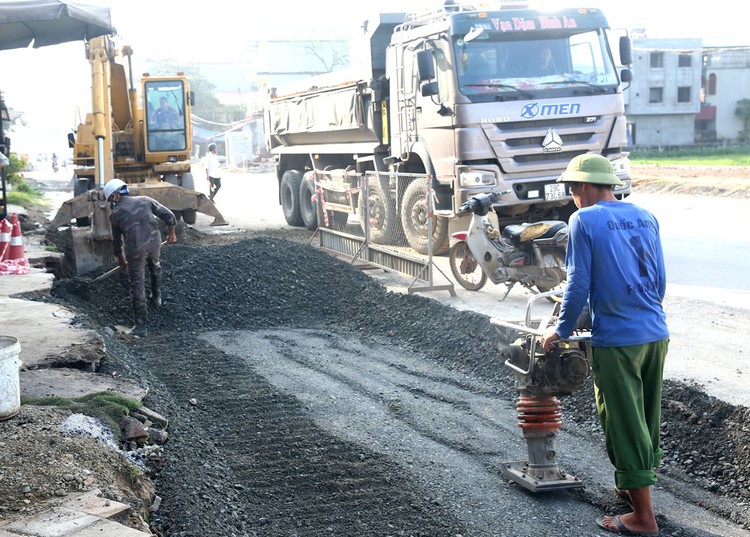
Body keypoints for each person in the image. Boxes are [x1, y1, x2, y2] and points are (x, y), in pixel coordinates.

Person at [541, 154, 668, 537]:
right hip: (655, 331)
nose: (572, 197)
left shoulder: (583, 219)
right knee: (646, 413)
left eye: (572, 189)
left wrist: (560, 330)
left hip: (618, 339)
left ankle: (643, 518)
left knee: (622, 418)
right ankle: (632, 485)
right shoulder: (646, 215)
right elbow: (660, 277)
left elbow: (578, 283)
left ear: (581, 187)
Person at [103, 179, 178, 337]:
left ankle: (140, 327)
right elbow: (169, 215)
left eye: (110, 199)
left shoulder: (115, 215)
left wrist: (121, 258)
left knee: (137, 284)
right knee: (155, 266)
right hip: (154, 244)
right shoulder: (145, 200)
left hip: (135, 251)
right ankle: (157, 297)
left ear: (116, 196)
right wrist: (172, 233)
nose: (111, 203)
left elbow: (116, 242)